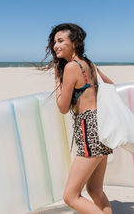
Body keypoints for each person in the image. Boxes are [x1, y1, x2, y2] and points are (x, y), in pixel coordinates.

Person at [34, 23, 114, 214]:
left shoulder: (71, 67)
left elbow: (62, 106)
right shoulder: (90, 65)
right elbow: (110, 85)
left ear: (74, 43)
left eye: (60, 41)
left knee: (70, 196)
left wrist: (57, 76)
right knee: (95, 190)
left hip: (89, 128)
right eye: (54, 42)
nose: (55, 46)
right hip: (102, 125)